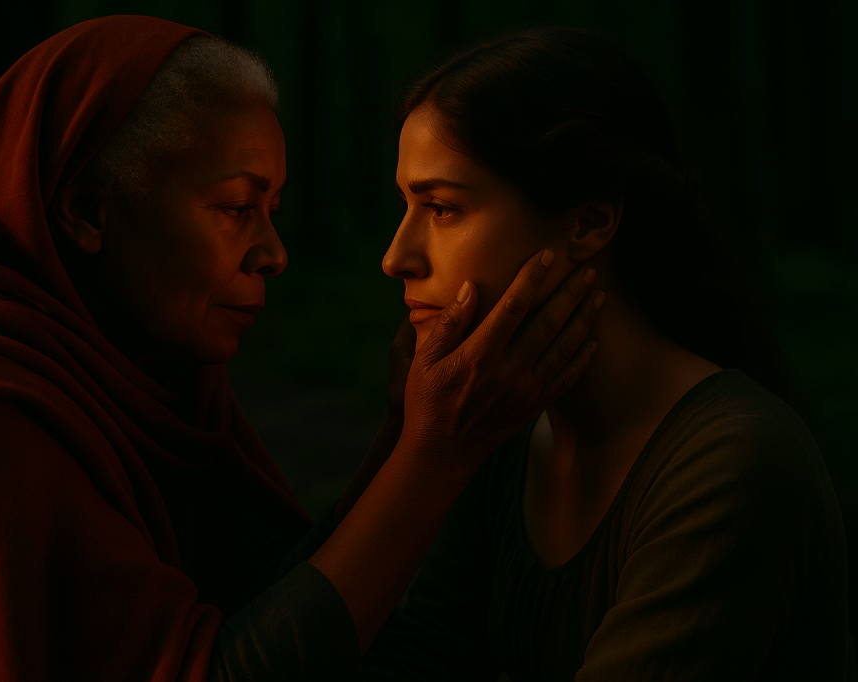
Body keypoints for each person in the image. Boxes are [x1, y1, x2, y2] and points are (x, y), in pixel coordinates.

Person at [0, 16, 606, 681]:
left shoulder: (155, 377)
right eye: (236, 208)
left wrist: (409, 438)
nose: (271, 252)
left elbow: (272, 601)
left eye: (272, 208)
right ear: (87, 209)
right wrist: (434, 456)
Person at [364, 26, 854, 680]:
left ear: (591, 221)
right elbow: (422, 657)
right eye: (405, 204)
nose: (398, 257)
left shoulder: (733, 462)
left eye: (443, 208)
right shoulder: (499, 426)